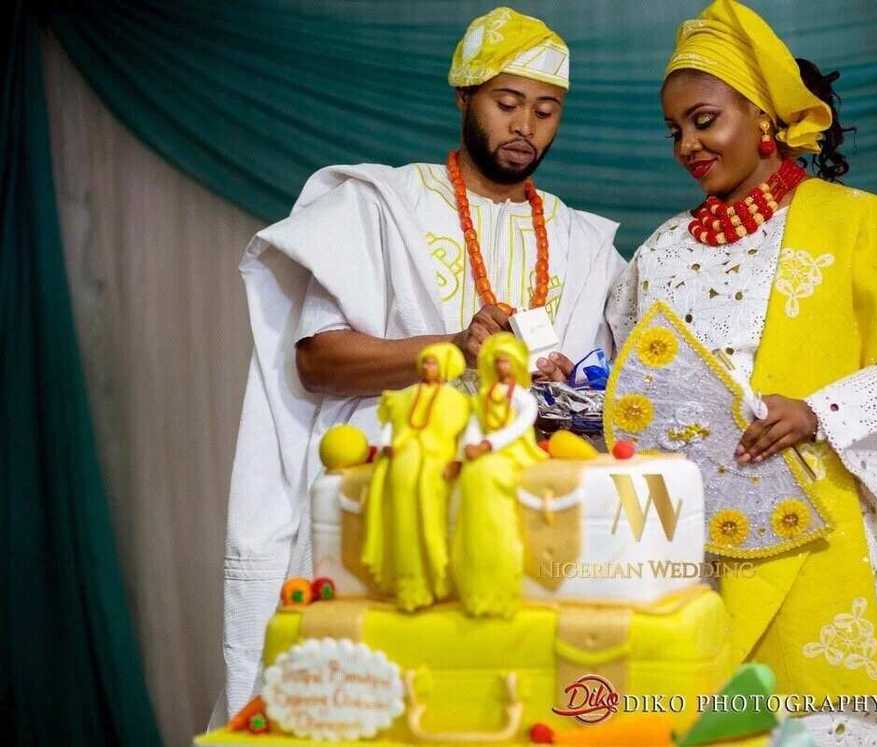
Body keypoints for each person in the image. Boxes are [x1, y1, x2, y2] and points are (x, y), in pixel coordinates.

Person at [605, 2, 877, 744]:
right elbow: (626, 376)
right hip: (689, 546)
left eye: (704, 120)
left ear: (763, 114)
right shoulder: (657, 253)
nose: (688, 144)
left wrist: (820, 411)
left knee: (823, 723)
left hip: (816, 525)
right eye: (675, 130)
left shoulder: (856, 224)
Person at [219, 6, 625, 720]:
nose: (525, 126)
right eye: (506, 103)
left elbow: (614, 386)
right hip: (385, 503)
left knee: (506, 711)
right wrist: (451, 347)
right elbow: (318, 361)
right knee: (374, 712)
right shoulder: (381, 206)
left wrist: (570, 378)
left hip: (526, 522)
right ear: (464, 97)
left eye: (546, 109)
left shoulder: (582, 239)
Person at [361, 343, 470, 611]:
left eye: (433, 362)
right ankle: (405, 581)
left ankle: (436, 580)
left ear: (446, 367)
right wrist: (388, 443)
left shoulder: (456, 400)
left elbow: (465, 433)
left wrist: (457, 460)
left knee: (432, 524)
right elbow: (390, 424)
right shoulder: (405, 395)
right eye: (425, 361)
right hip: (402, 460)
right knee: (403, 520)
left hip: (436, 464)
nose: (427, 366)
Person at [451, 333, 547, 617]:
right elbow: (474, 423)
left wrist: (490, 444)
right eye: (497, 363)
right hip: (483, 453)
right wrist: (469, 445)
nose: (502, 368)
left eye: (507, 362)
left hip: (512, 452)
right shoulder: (485, 395)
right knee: (474, 474)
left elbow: (520, 427)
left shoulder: (521, 398)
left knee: (491, 472)